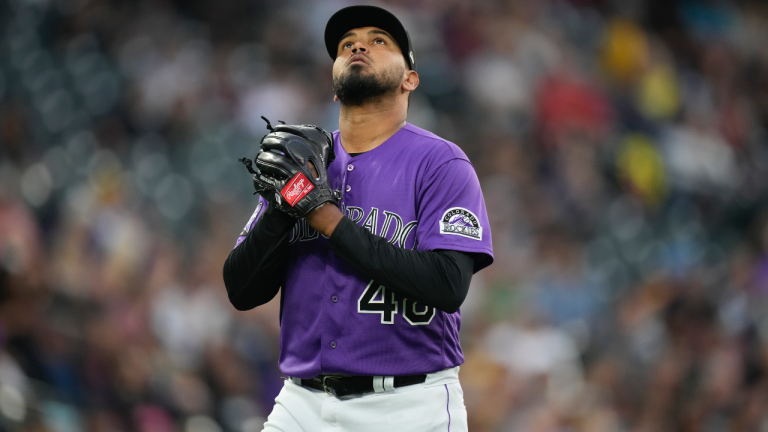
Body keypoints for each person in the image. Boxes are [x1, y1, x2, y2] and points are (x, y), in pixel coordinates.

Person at [223, 5, 493, 431]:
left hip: (408, 404)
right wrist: (283, 205)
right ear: (333, 85)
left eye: (378, 40)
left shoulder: (440, 163)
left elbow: (447, 284)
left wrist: (327, 218)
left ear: (410, 78)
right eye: (347, 44)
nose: (358, 46)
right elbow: (241, 290)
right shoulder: (303, 163)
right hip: (301, 403)